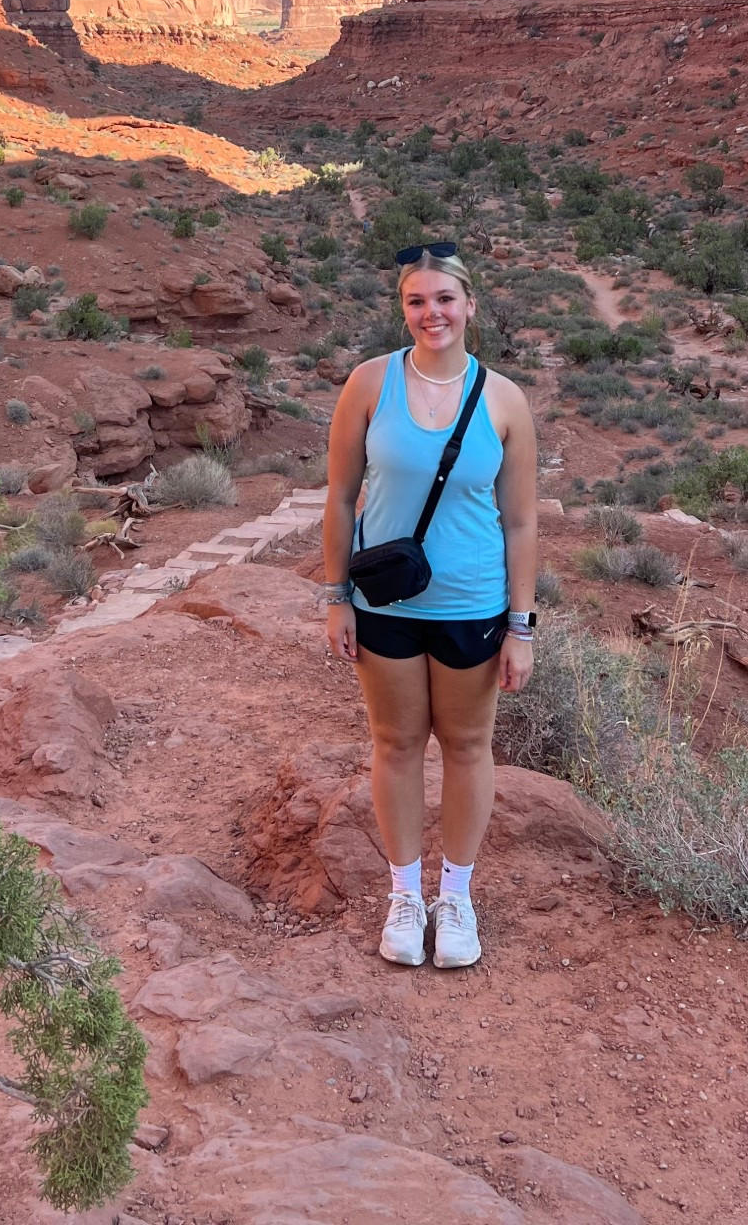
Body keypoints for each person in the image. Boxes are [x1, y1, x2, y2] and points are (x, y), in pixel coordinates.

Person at [323, 242, 537, 969]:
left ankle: (459, 897)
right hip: (384, 603)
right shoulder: (368, 384)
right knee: (396, 743)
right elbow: (341, 496)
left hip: (473, 604)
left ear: (470, 305)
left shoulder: (504, 399)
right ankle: (405, 895)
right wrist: (334, 597)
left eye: (445, 299)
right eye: (417, 301)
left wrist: (522, 625)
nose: (431, 313)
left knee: (469, 746)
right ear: (403, 307)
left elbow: (522, 521)